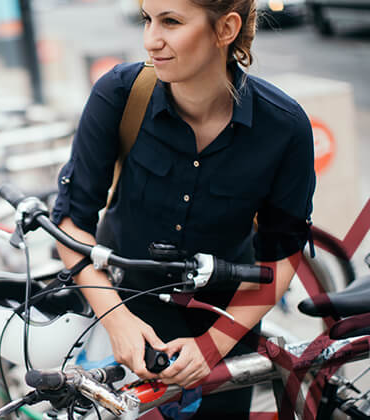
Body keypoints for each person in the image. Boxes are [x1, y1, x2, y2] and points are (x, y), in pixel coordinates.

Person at [51, 0, 316, 418]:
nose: (150, 39)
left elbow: (280, 258)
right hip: (120, 314)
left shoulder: (283, 127)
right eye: (147, 19)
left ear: (225, 29)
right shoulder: (119, 95)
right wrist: (117, 321)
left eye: (171, 22)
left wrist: (213, 345)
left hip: (225, 323)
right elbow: (71, 222)